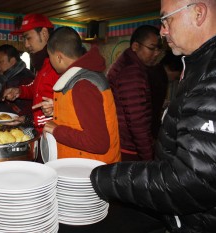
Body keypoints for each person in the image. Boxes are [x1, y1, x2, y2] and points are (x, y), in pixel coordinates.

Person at [91, 0, 216, 232]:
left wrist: (102, 178)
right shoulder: (198, 64)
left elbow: (194, 181)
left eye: (166, 19)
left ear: (199, 13)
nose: (162, 30)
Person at [37, 26, 120, 164]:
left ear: (58, 57)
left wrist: (57, 130)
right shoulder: (82, 78)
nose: (50, 62)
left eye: (50, 56)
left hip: (92, 173)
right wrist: (58, 107)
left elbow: (98, 142)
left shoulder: (83, 85)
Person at [107, 25, 162, 161]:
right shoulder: (132, 71)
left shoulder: (127, 63)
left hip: (121, 141)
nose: (156, 53)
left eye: (158, 49)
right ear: (135, 46)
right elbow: (137, 122)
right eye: (151, 48)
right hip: (127, 147)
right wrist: (148, 157)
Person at [2, 14, 59, 133]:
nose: (26, 44)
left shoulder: (59, 64)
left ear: (43, 33)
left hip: (53, 135)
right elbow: (37, 88)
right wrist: (19, 91)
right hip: (41, 133)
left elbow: (61, 108)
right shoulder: (43, 62)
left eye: (28, 38)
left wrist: (27, 119)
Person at [148, 50, 183, 139]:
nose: (176, 78)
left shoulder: (154, 71)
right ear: (172, 68)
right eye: (178, 75)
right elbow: (154, 112)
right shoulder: (160, 80)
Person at [0, 44, 34, 116]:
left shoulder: (26, 77)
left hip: (20, 121)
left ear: (12, 61)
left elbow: (28, 107)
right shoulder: (4, 77)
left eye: (0, 62)